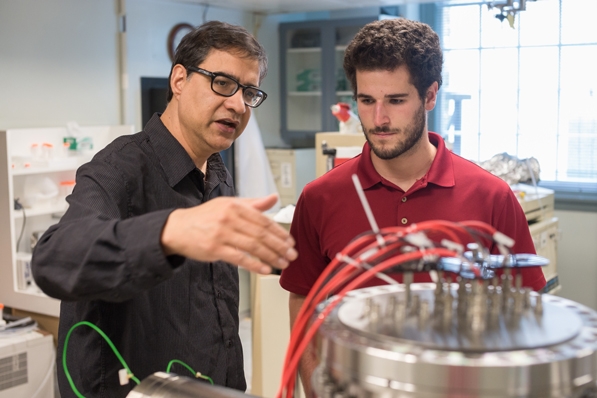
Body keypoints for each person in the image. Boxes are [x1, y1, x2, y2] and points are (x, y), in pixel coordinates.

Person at [279, 17, 546, 397]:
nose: (379, 119)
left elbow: (527, 309)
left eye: (396, 101)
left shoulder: (491, 196)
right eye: (366, 101)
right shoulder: (321, 198)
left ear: (431, 95)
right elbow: (304, 300)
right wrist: (316, 388)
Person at [31, 20, 297, 398]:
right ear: (179, 80)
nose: (238, 104)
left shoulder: (217, 172)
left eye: (249, 91)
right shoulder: (121, 167)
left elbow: (218, 317)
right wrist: (169, 231)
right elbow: (53, 260)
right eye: (222, 83)